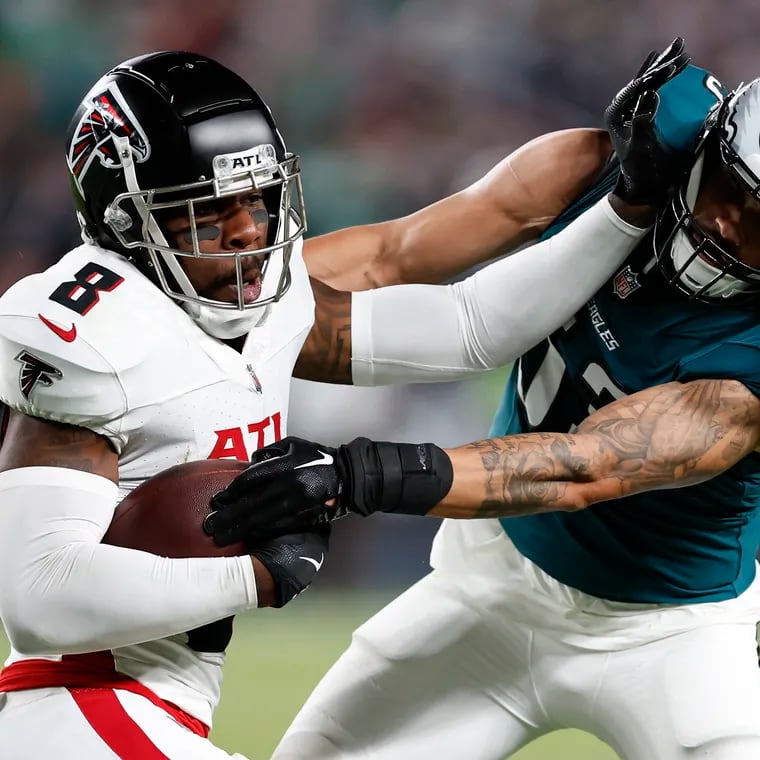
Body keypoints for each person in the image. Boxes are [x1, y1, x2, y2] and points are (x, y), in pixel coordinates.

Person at [0, 46, 674, 759]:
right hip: (81, 703)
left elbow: (471, 325)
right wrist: (258, 573)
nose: (246, 232)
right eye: (205, 213)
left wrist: (627, 207)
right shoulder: (92, 338)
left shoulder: (259, 304)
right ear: (129, 225)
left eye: (256, 200)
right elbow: (41, 600)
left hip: (148, 710)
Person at [207, 43, 760, 760]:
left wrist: (356, 475)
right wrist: (205, 300)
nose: (729, 226)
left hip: (669, 637)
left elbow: (580, 467)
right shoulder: (593, 170)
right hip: (491, 589)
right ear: (707, 146)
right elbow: (389, 255)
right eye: (730, 189)